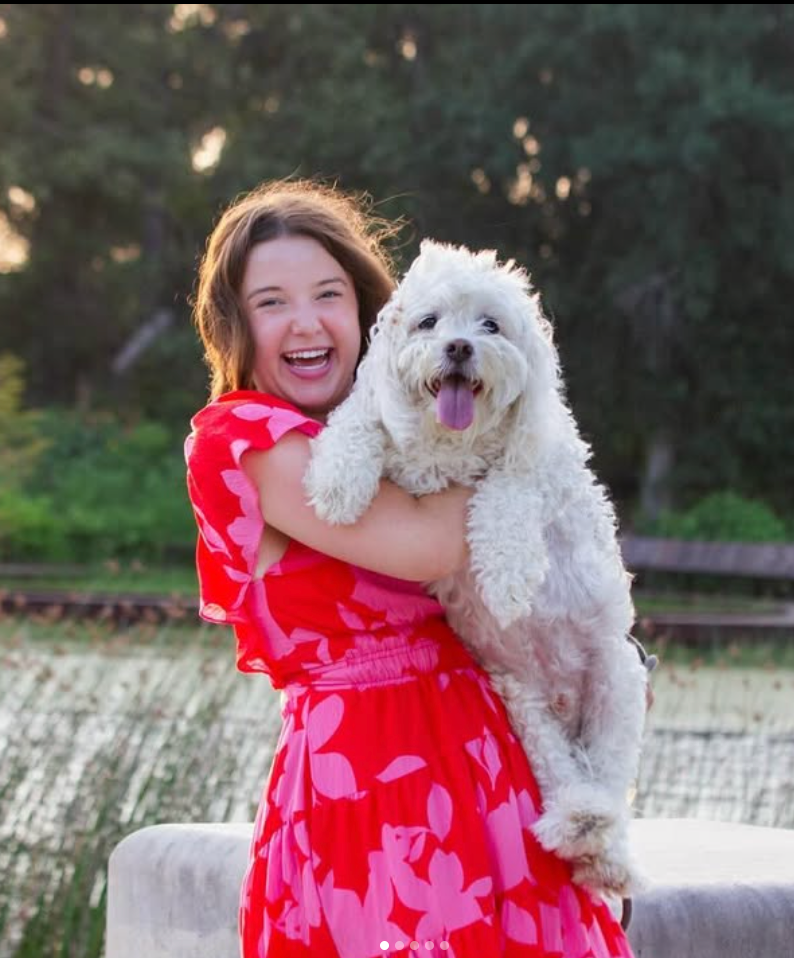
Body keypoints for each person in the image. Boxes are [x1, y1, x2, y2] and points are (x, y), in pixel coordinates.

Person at [185, 178, 638, 958]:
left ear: (367, 312)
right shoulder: (243, 437)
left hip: (482, 757)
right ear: (235, 323)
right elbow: (430, 545)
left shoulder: (407, 438)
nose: (305, 322)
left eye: (328, 294)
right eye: (271, 302)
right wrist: (518, 441)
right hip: (367, 776)